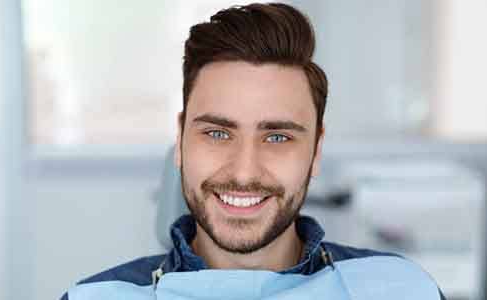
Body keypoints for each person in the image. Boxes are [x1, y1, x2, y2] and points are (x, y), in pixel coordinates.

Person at [61, 3, 445, 299]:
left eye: (277, 137)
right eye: (216, 133)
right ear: (179, 140)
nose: (244, 173)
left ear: (316, 151)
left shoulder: (401, 288)